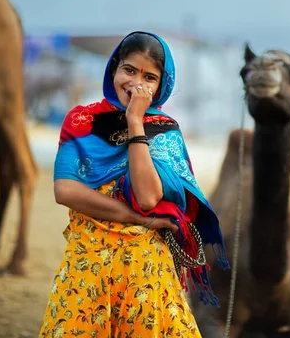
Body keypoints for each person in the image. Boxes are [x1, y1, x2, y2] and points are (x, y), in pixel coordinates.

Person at [39, 31, 229, 337]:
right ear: (114, 68)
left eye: (149, 77)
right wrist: (134, 218)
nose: (137, 83)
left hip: (144, 275)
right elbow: (65, 190)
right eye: (129, 70)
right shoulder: (81, 121)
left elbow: (149, 198)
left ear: (161, 85)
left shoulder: (164, 131)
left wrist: (135, 122)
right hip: (87, 269)